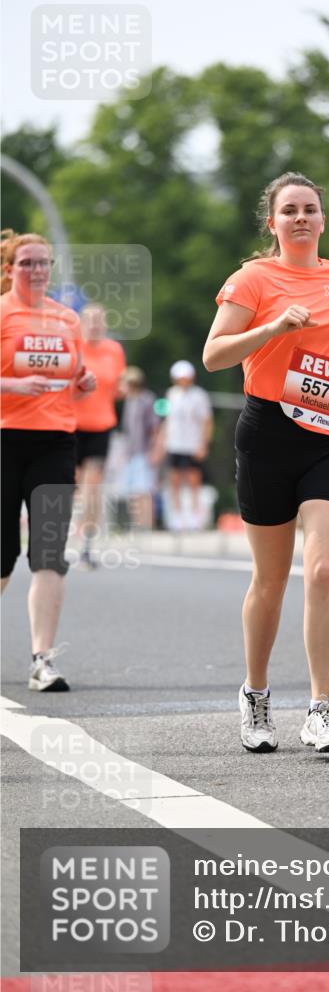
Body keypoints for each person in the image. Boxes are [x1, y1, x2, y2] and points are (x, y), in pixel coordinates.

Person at [203, 171, 329, 755]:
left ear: (323, 220)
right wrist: (274, 325)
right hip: (268, 432)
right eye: (289, 211)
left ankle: (321, 710)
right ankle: (256, 694)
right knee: (271, 581)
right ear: (273, 223)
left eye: (310, 209)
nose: (301, 218)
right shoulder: (253, 279)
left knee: (324, 569)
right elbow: (213, 355)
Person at [1, 230, 95, 691]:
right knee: (2, 555)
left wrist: (84, 380)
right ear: (9, 269)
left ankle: (43, 660)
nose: (37, 271)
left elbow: (73, 372)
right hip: (4, 439)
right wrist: (11, 386)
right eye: (27, 263)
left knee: (50, 555)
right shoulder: (2, 312)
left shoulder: (66, 318)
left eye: (43, 263)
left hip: (55, 441)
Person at [74, 303, 126, 566]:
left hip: (101, 426)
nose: (94, 325)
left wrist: (123, 389)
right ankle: (59, 536)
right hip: (70, 425)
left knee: (92, 486)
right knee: (68, 486)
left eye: (99, 320)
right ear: (81, 323)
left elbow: (118, 386)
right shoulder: (73, 347)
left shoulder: (114, 351)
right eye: (90, 320)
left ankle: (86, 544)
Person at [159, 360, 213, 531]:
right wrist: (161, 442)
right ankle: (177, 515)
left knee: (193, 479)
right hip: (174, 443)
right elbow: (167, 420)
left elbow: (206, 421)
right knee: (174, 479)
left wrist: (203, 444)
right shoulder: (171, 394)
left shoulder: (199, 395)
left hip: (192, 443)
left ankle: (195, 515)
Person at [118, 366, 160, 530]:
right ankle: (136, 524)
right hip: (130, 452)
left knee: (144, 490)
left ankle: (146, 524)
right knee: (133, 491)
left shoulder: (146, 399)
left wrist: (154, 450)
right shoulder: (129, 401)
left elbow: (155, 427)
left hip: (143, 451)